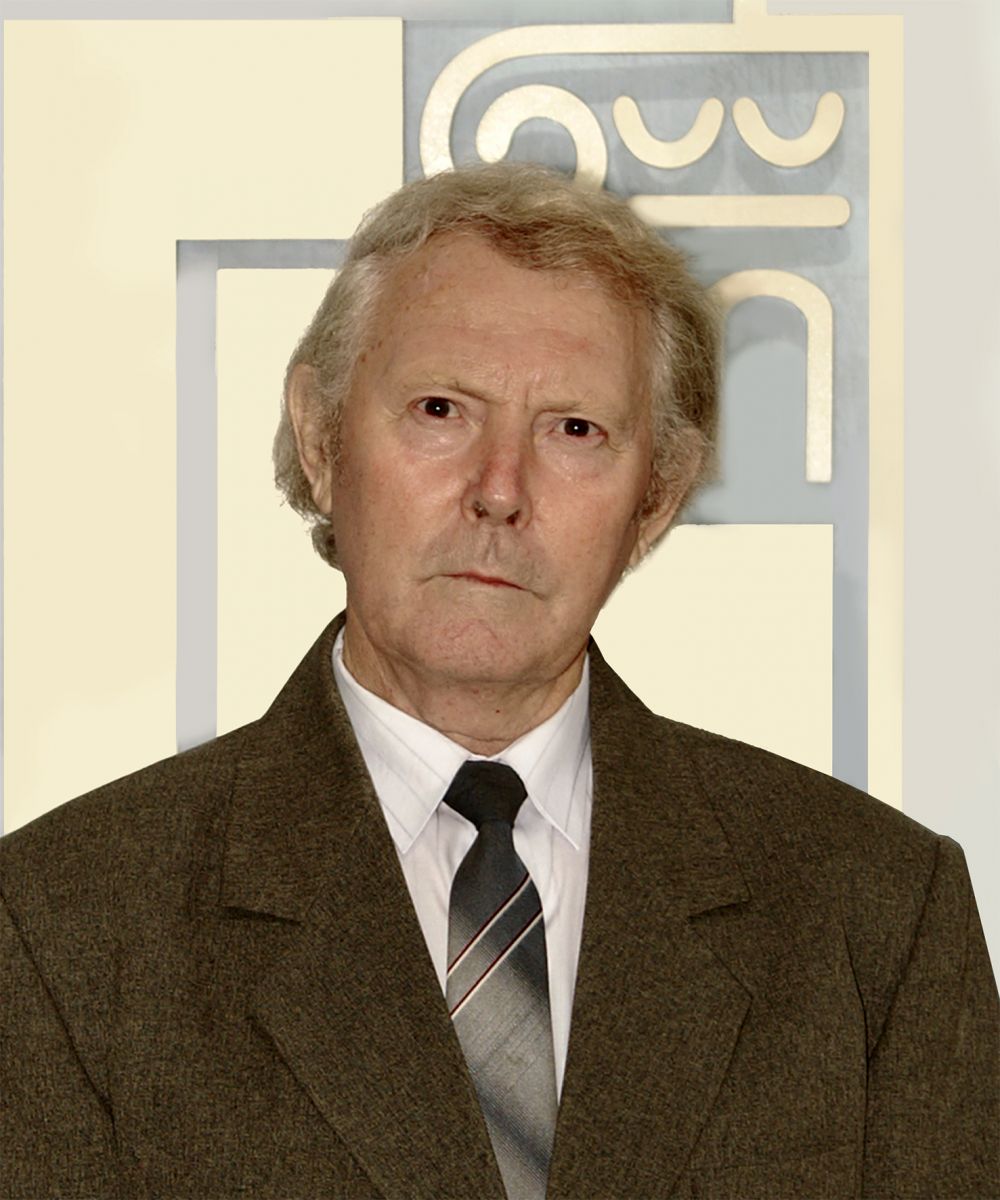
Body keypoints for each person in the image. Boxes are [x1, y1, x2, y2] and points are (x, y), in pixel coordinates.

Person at [1, 162, 996, 1200]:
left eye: (574, 430)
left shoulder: (876, 914)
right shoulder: (62, 926)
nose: (500, 490)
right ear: (320, 438)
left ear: (654, 500)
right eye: (441, 409)